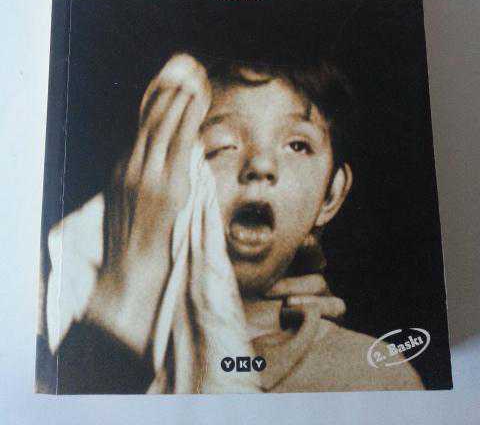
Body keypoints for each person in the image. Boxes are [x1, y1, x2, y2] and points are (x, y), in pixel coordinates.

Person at [37, 53, 424, 393]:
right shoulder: (57, 320)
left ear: (330, 196)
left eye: (297, 145)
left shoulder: (371, 376)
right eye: (222, 145)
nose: (261, 165)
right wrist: (127, 288)